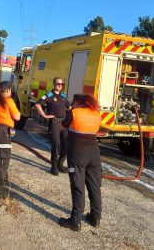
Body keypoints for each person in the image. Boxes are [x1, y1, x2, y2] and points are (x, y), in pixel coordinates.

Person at [58, 94, 102, 231]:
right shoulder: (96, 113)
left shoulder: (74, 112)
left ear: (77, 103)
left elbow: (63, 126)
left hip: (77, 154)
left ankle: (75, 220)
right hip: (94, 154)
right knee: (94, 186)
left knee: (78, 186)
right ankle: (95, 217)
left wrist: (71, 110)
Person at [35, 77, 70, 175]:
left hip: (64, 123)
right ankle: (54, 166)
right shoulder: (49, 95)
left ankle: (60, 164)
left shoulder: (63, 96)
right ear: (54, 84)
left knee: (67, 145)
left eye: (61, 84)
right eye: (58, 83)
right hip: (54, 123)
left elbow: (70, 107)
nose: (60, 85)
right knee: (56, 145)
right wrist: (45, 115)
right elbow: (37, 104)